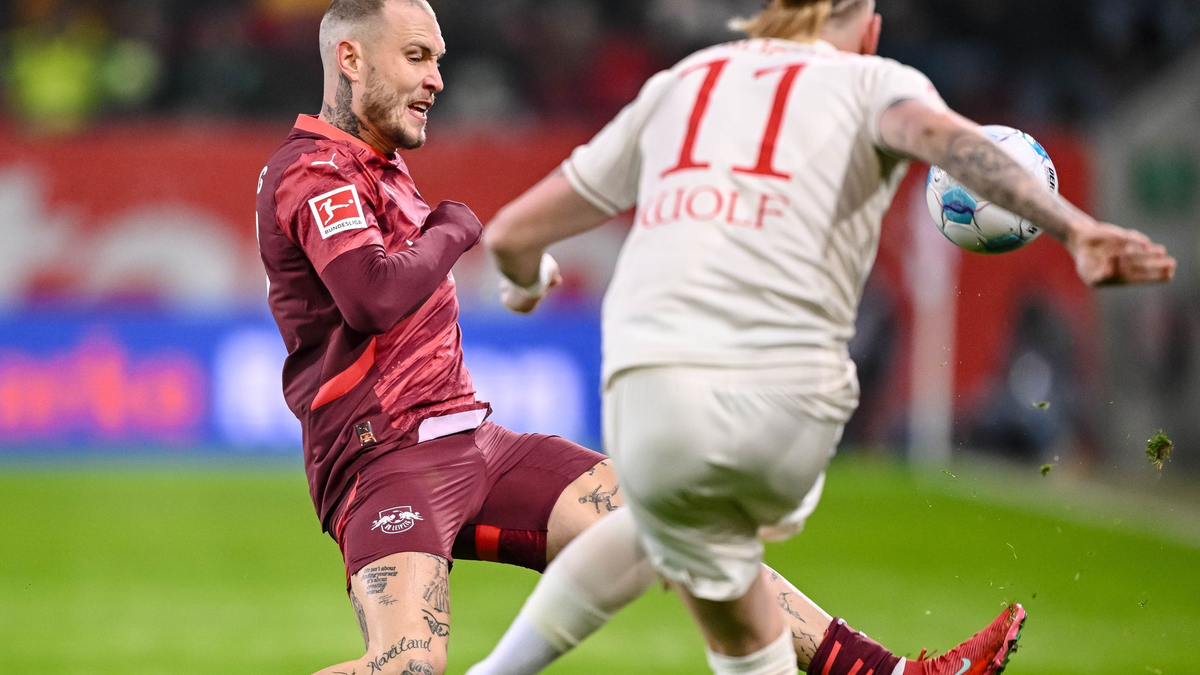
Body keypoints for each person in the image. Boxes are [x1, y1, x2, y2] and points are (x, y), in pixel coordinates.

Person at [469, 1, 1177, 675]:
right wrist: (1075, 228)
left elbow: (510, 236)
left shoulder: (681, 82)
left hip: (642, 392)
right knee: (701, 557)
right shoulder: (875, 82)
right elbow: (953, 144)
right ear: (868, 30)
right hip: (783, 400)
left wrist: (526, 283)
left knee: (684, 535)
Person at [255, 1, 866, 673]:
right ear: (351, 58)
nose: (436, 79)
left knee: (684, 528)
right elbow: (371, 296)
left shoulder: (378, 164)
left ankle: (886, 669)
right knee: (407, 665)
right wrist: (455, 228)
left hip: (475, 441)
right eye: (417, 57)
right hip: (385, 459)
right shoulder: (315, 170)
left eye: (437, 60)